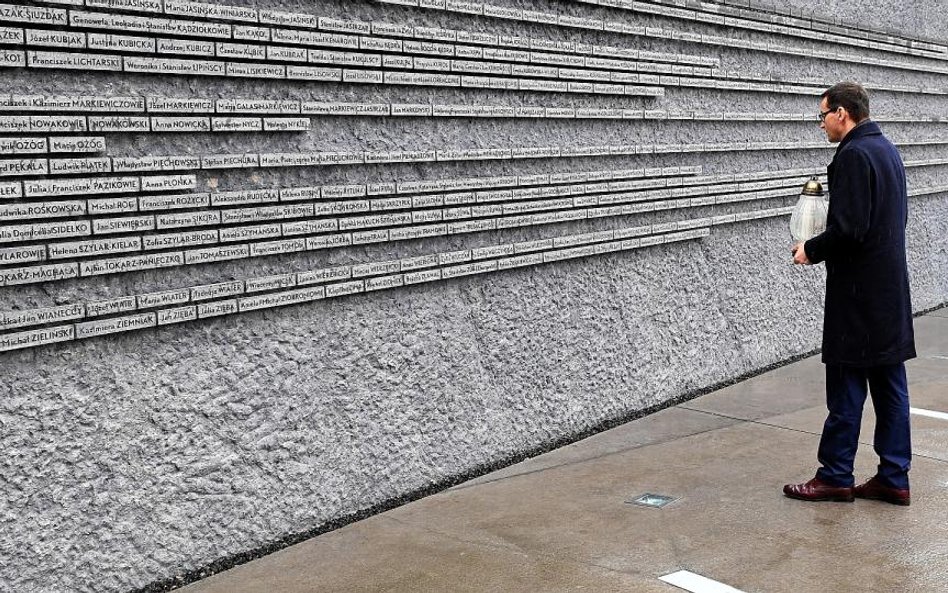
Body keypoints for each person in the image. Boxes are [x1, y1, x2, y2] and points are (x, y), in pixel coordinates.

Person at [783, 81, 916, 505]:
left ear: (843, 113)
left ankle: (835, 474)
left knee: (845, 384)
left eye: (822, 115)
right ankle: (894, 477)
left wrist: (811, 249)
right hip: (888, 291)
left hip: (857, 296)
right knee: (890, 385)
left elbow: (851, 229)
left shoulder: (854, 155)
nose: (821, 124)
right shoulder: (887, 151)